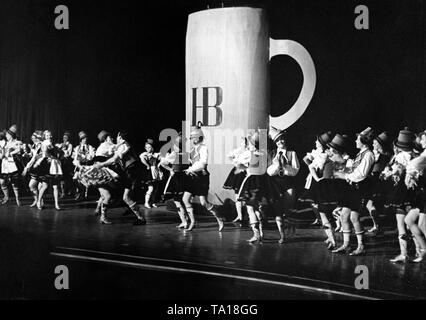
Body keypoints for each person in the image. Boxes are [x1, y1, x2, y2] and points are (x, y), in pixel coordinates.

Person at [332, 127, 375, 256]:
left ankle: (361, 245)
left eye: (358, 138)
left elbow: (361, 174)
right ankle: (346, 244)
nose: (356, 140)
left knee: (354, 217)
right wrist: (345, 169)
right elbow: (353, 170)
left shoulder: (368, 155)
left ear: (363, 141)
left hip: (361, 188)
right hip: (353, 188)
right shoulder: (360, 154)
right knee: (344, 215)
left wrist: (344, 175)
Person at [90, 131, 146, 225]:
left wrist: (102, 164)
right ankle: (139, 216)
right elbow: (113, 154)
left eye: (116, 136)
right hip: (117, 172)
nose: (114, 138)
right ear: (106, 138)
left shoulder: (123, 145)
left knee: (120, 196)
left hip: (130, 171)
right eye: (111, 137)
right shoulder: (110, 146)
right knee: (114, 196)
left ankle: (140, 217)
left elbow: (115, 158)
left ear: (120, 137)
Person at [380, 128, 416, 262]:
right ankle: (418, 252)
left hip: (401, 192)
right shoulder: (415, 155)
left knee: (401, 223)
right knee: (411, 224)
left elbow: (395, 173)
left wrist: (387, 174)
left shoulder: (401, 157)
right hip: (412, 192)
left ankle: (404, 253)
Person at [309, 133, 349, 250]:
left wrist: (318, 178)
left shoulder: (329, 157)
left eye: (331, 147)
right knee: (328, 212)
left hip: (331, 186)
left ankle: (332, 238)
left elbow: (311, 166)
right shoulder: (345, 159)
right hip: (333, 186)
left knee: (324, 213)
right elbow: (311, 166)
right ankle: (333, 237)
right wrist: (317, 178)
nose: (329, 149)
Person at [181, 124, 224, 231]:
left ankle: (219, 217)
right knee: (185, 199)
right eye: (191, 137)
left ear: (198, 137)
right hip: (192, 177)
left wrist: (190, 169)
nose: (191, 139)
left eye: (193, 137)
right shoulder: (192, 149)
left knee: (203, 202)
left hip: (201, 178)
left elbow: (202, 164)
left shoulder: (204, 148)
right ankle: (193, 222)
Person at [76, 130, 118, 224]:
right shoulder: (107, 145)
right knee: (107, 196)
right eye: (110, 137)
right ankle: (103, 217)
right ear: (106, 138)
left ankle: (98, 210)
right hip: (99, 172)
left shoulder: (103, 146)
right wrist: (122, 143)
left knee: (104, 195)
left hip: (98, 171)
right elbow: (115, 149)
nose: (112, 139)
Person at [267, 127, 300, 244]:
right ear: (275, 143)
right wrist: (277, 166)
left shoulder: (292, 154)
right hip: (275, 184)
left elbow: (295, 171)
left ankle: (290, 227)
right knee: (278, 210)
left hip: (288, 183)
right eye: (278, 140)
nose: (280, 142)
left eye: (282, 140)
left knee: (288, 208)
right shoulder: (272, 154)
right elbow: (269, 172)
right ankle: (282, 235)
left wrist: (285, 166)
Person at [237, 130, 270, 243]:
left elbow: (238, 163)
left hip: (251, 182)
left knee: (250, 208)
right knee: (256, 207)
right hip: (262, 181)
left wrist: (246, 168)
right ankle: (261, 232)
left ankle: (256, 234)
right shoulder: (265, 153)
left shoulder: (248, 154)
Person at [300, 131, 333, 225]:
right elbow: (305, 159)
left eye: (317, 141)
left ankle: (326, 220)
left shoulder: (326, 154)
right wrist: (312, 166)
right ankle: (319, 218)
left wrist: (316, 168)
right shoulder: (316, 152)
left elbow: (325, 166)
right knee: (312, 200)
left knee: (321, 201)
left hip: (321, 177)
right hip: (314, 177)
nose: (315, 142)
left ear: (321, 143)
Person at [160, 134, 191, 228]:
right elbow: (190, 165)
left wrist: (170, 169)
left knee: (177, 201)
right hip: (185, 179)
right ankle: (187, 219)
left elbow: (163, 163)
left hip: (177, 178)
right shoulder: (187, 154)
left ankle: (184, 221)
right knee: (184, 200)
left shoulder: (174, 155)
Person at [404, 130, 426, 263]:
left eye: (424, 139)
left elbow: (415, 164)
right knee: (409, 220)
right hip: (423, 194)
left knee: (423, 224)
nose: (421, 142)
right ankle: (424, 249)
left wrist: (410, 173)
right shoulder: (423, 153)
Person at [365, 131, 392, 233]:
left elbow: (377, 170)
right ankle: (377, 224)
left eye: (375, 143)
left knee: (370, 204)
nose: (373, 144)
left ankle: (377, 225)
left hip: (377, 183)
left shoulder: (383, 156)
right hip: (375, 181)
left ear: (380, 144)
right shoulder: (379, 155)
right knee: (370, 204)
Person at [223, 137, 248, 223]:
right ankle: (240, 216)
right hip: (238, 174)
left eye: (245, 142)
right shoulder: (239, 151)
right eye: (242, 142)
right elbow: (229, 155)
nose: (244, 144)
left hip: (246, 173)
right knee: (237, 194)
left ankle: (247, 215)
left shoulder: (249, 152)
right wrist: (234, 160)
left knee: (245, 195)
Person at [0, 125, 24, 206]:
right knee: (2, 182)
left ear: (11, 135)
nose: (6, 136)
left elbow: (18, 149)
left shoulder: (15, 142)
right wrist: (2, 154)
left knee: (14, 183)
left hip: (12, 165)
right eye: (6, 134)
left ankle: (17, 198)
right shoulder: (3, 142)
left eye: (7, 134)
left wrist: (11, 153)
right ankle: (6, 197)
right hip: (4, 165)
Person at [140, 139, 163, 208]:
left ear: (152, 147)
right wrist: (147, 165)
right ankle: (146, 203)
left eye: (149, 147)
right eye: (146, 147)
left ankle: (152, 202)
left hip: (155, 171)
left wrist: (158, 165)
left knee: (155, 189)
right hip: (149, 172)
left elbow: (161, 159)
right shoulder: (145, 154)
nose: (148, 149)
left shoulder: (156, 154)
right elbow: (142, 159)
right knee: (151, 188)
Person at [73, 131, 95, 200]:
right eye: (83, 139)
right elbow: (75, 158)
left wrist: (85, 157)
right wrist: (78, 164)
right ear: (81, 140)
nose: (85, 140)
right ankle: (80, 192)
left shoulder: (89, 147)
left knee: (85, 180)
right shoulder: (77, 147)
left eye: (85, 138)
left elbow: (91, 157)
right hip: (79, 165)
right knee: (75, 179)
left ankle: (84, 195)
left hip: (86, 165)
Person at [56, 131, 74, 198]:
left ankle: (68, 191)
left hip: (66, 162)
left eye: (66, 137)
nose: (64, 139)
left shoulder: (70, 145)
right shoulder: (60, 144)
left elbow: (68, 154)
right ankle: (62, 192)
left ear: (68, 138)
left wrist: (63, 150)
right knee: (61, 178)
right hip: (60, 162)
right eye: (64, 137)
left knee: (67, 177)